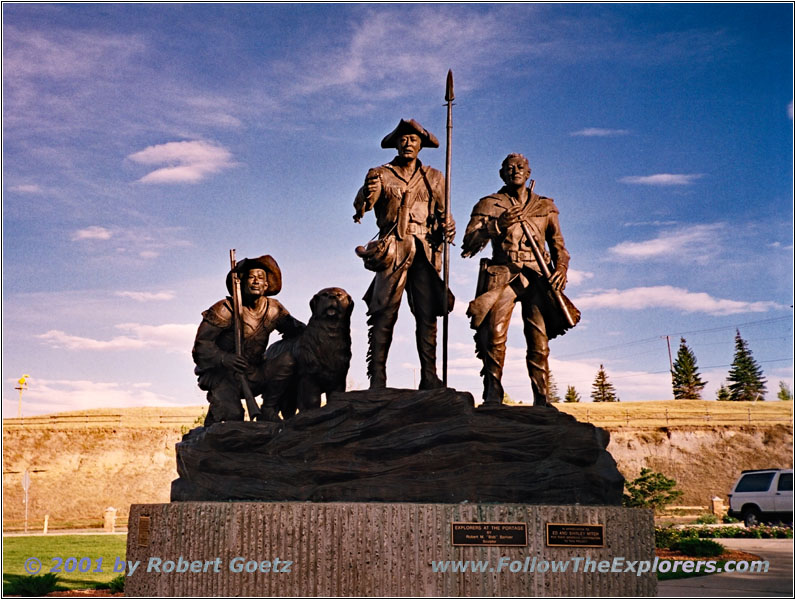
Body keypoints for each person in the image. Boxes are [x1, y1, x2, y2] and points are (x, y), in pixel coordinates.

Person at [461, 153, 576, 406]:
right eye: (509, 168)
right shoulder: (489, 204)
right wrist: (496, 226)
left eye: (520, 167)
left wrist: (562, 268)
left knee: (539, 340)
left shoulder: (545, 207)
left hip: (537, 275)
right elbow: (468, 243)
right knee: (494, 336)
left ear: (529, 172)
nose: (515, 171)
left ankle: (542, 399)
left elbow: (559, 246)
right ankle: (492, 396)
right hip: (504, 274)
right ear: (502, 174)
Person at [353, 118, 455, 389]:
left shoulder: (434, 177)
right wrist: (367, 192)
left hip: (425, 248)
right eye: (403, 139)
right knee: (384, 312)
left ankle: (429, 376)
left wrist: (448, 225)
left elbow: (445, 215)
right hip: (394, 248)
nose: (408, 143)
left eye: (413, 139)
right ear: (396, 144)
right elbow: (362, 205)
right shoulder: (381, 173)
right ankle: (378, 377)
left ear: (422, 144)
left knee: (427, 314)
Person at [192, 255, 305, 425]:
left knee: (287, 361)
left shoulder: (273, 309)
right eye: (251, 277)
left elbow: (297, 330)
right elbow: (201, 347)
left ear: (266, 285)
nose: (255, 282)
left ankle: (268, 409)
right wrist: (225, 359)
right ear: (242, 282)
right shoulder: (224, 309)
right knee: (233, 418)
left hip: (254, 373)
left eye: (260, 278)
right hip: (223, 375)